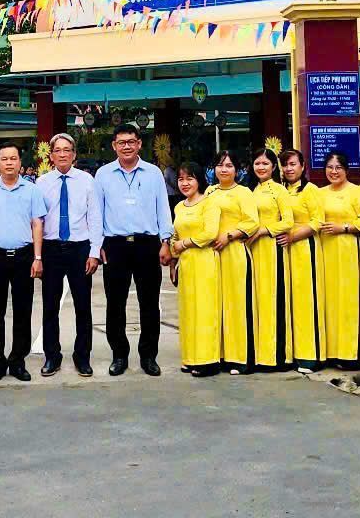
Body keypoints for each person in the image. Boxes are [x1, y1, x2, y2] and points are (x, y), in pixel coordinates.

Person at [94, 125, 173, 377]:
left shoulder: (153, 173)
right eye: (121, 142)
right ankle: (119, 355)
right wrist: (98, 246)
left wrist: (166, 241)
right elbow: (96, 213)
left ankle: (148, 356)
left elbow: (163, 208)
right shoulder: (103, 175)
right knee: (115, 303)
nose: (126, 146)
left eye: (131, 141)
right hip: (115, 246)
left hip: (147, 244)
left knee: (149, 303)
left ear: (139, 144)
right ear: (114, 146)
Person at [0, 142, 46, 383]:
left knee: (23, 311)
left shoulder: (32, 190)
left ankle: (17, 361)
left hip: (24, 256)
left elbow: (37, 224)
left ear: (20, 162)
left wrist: (37, 258)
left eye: (13, 158)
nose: (9, 163)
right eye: (4, 158)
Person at [35, 133, 102, 378]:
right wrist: (37, 256)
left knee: (83, 306)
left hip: (79, 249)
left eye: (67, 150)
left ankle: (82, 356)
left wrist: (94, 252)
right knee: (50, 306)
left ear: (74, 154)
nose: (62, 154)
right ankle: (52, 356)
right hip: (51, 249)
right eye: (58, 150)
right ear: (51, 156)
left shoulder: (87, 181)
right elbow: (37, 220)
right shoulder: (41, 183)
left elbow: (95, 218)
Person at [317, 150, 360, 370]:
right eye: (330, 167)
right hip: (325, 252)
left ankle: (351, 353)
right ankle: (331, 352)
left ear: (346, 170)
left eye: (338, 168)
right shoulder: (319, 193)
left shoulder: (357, 192)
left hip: (347, 251)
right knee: (329, 301)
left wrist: (345, 228)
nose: (334, 172)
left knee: (348, 301)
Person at [207, 149, 258, 375]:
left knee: (237, 304)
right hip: (212, 255)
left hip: (235, 253)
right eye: (220, 165)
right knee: (216, 304)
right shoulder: (209, 192)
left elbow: (252, 222)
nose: (224, 169)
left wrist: (229, 236)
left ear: (237, 170)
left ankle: (240, 358)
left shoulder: (243, 192)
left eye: (229, 165)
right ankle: (218, 354)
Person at [277, 148, 326, 373]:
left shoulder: (310, 190)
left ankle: (310, 356)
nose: (289, 169)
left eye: (293, 164)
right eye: (285, 165)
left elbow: (318, 222)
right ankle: (291, 354)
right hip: (284, 251)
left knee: (306, 301)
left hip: (305, 249)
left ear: (303, 166)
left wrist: (293, 236)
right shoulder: (280, 190)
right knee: (289, 302)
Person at [246, 148, 295, 371]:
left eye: (265, 163)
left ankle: (277, 357)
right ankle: (260, 354)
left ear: (274, 167)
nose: (261, 167)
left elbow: (288, 221)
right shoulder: (251, 190)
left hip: (272, 249)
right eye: (257, 163)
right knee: (257, 301)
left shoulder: (279, 190)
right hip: (253, 251)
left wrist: (263, 231)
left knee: (274, 300)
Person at [171, 162, 222, 377]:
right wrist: (173, 258)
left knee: (205, 311)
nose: (185, 183)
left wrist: (184, 243)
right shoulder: (179, 207)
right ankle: (190, 358)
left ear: (199, 180)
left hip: (204, 261)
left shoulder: (209, 204)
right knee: (188, 311)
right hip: (186, 263)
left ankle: (207, 360)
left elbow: (210, 233)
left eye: (189, 178)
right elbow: (175, 235)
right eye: (181, 179)